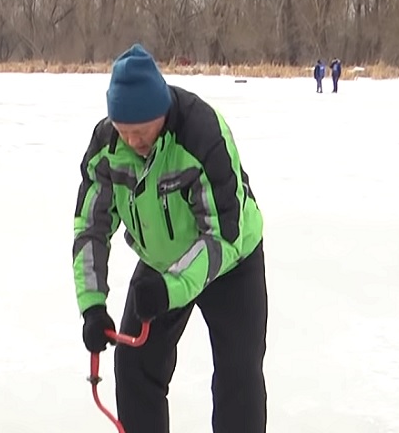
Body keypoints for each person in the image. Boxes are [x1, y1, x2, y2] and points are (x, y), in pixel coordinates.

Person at [72, 43, 267, 433]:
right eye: (124, 132)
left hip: (231, 260)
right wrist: (92, 306)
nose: (132, 142)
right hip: (161, 263)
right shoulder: (107, 147)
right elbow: (90, 228)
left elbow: (221, 234)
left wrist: (169, 288)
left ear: (161, 113)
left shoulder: (203, 134)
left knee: (238, 375)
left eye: (141, 132)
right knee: (134, 366)